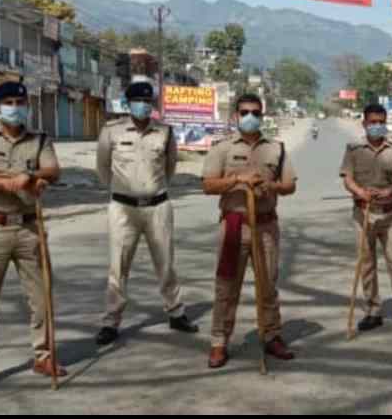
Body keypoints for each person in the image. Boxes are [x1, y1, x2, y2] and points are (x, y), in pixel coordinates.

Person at [0, 81, 66, 395]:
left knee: (42, 298)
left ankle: (43, 357)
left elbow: (53, 170)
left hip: (30, 227)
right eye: (8, 102)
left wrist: (34, 178)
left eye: (20, 102)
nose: (15, 107)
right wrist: (11, 184)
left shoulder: (39, 139)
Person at [95, 81, 198, 347]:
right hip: (122, 208)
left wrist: (152, 188)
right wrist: (122, 190)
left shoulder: (164, 132)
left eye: (148, 101)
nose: (143, 105)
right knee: (118, 266)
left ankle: (175, 312)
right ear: (128, 104)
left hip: (158, 206)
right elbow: (103, 167)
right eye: (138, 101)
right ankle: (110, 321)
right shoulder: (112, 131)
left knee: (165, 263)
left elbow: (170, 167)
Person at [201, 94, 298, 368]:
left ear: (262, 116)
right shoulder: (221, 148)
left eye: (255, 112)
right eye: (244, 112)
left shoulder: (276, 149)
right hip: (234, 225)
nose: (250, 117)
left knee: (268, 286)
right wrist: (237, 180)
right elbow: (208, 185)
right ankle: (219, 342)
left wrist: (271, 187)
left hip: (266, 226)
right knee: (226, 286)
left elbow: (290, 185)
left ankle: (271, 336)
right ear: (235, 116)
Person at [339, 103, 392, 335]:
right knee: (366, 264)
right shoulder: (353, 149)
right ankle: (373, 311)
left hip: (390, 214)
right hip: (362, 214)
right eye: (372, 122)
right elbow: (347, 178)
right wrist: (358, 192)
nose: (376, 126)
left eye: (381, 121)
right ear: (364, 123)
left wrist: (390, 190)